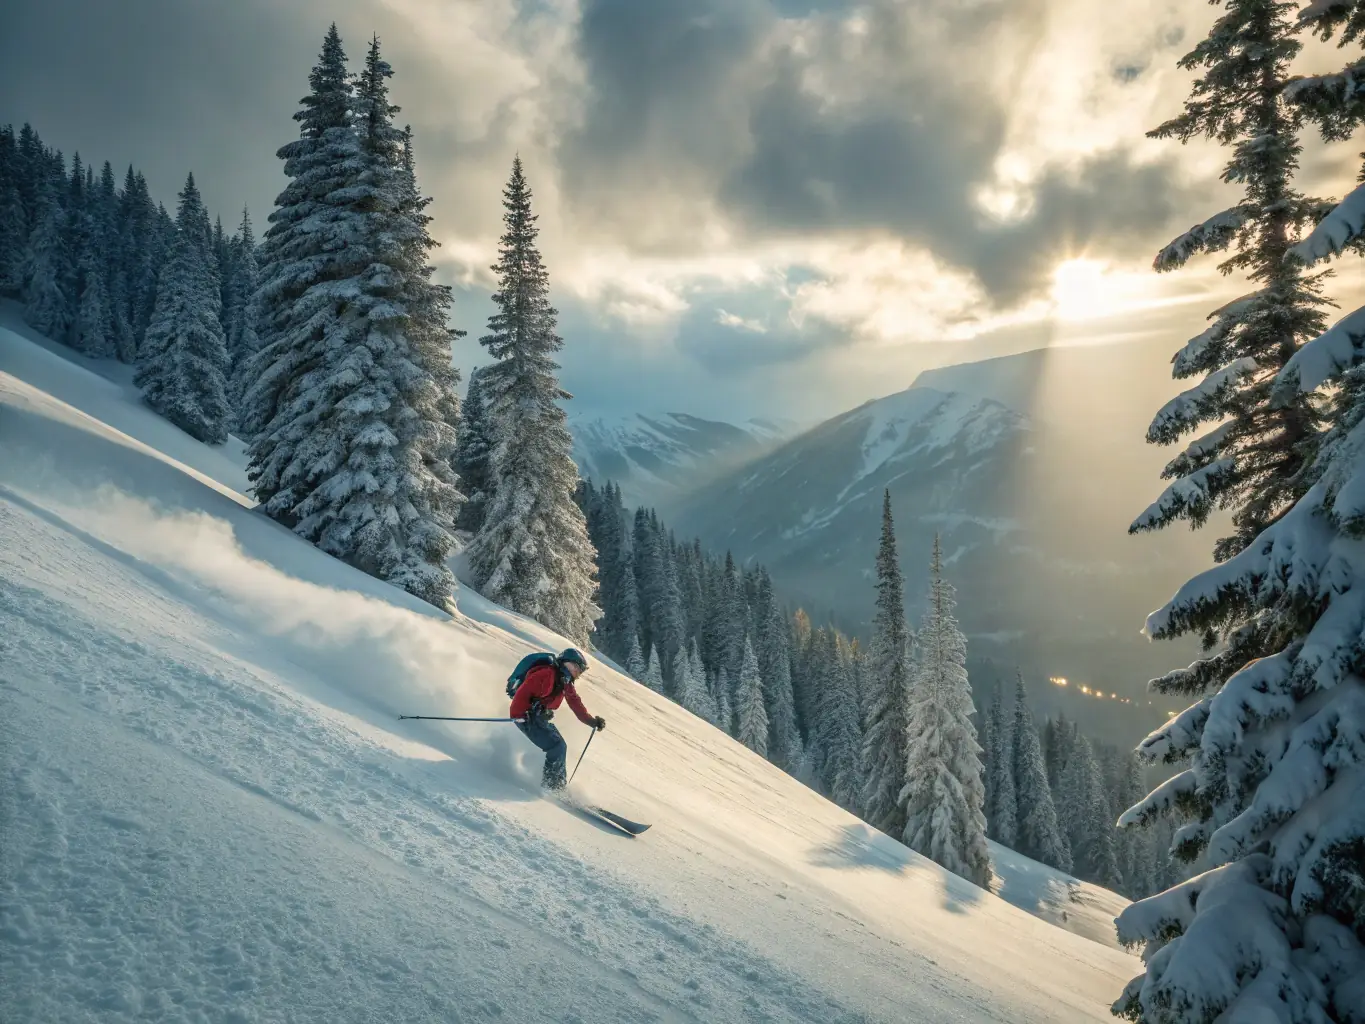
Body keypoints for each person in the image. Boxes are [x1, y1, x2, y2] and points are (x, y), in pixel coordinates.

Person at [509, 648, 605, 790]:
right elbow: (522, 694)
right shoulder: (546, 674)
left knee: (561, 746)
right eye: (576, 668)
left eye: (580, 671)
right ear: (567, 663)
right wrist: (521, 715)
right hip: (525, 718)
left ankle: (557, 785)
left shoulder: (565, 681)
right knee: (557, 747)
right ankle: (551, 786)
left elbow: (575, 703)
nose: (577, 673)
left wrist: (591, 721)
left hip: (536, 719)